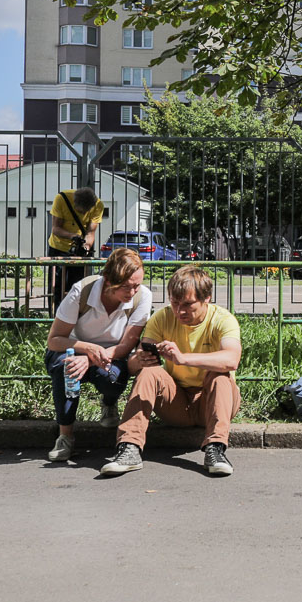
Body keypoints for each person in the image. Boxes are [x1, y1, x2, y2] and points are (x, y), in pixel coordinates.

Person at [101, 265, 243, 477]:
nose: (180, 311)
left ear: (207, 298)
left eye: (188, 304)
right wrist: (140, 359)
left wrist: (183, 359)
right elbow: (132, 367)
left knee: (219, 374)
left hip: (213, 402)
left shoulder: (223, 319)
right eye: (175, 303)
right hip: (176, 403)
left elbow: (232, 360)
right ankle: (129, 448)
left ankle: (216, 449)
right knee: (149, 371)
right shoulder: (162, 318)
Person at [43, 248, 152, 462]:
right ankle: (65, 436)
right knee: (67, 368)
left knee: (112, 376)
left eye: (136, 285)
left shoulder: (142, 297)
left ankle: (109, 402)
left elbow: (125, 345)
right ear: (108, 280)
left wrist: (91, 357)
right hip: (71, 349)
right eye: (125, 287)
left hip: (112, 353)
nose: (132, 293)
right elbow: (54, 340)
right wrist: (86, 350)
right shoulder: (82, 291)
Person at [47, 186, 103, 310]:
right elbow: (55, 229)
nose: (84, 214)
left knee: (77, 286)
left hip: (79, 251)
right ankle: (54, 315)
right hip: (58, 247)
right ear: (75, 203)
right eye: (81, 211)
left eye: (86, 211)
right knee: (56, 286)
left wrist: (86, 247)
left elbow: (90, 232)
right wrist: (73, 236)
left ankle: (74, 314)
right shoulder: (61, 199)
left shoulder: (98, 205)